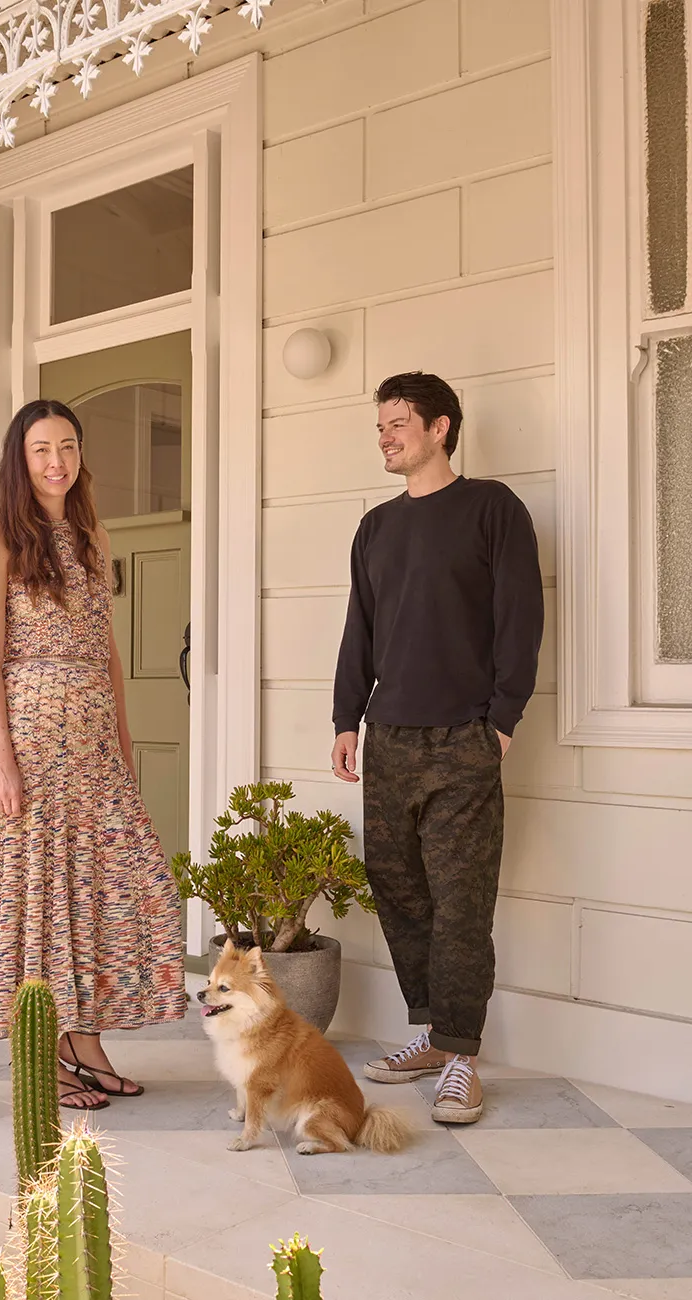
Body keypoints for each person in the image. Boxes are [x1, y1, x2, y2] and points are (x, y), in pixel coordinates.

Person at [0, 398, 187, 1109]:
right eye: (40, 449)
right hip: (31, 736)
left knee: (122, 885)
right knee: (44, 895)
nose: (56, 461)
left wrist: (122, 746)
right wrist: (0, 754)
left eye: (67, 446)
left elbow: (108, 652)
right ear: (19, 460)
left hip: (92, 742)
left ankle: (84, 1041)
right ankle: (45, 1053)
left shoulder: (94, 532)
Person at [331, 372, 543, 1124]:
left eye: (398, 424)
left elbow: (520, 617)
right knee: (400, 890)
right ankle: (431, 1032)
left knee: (460, 902)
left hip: (464, 739)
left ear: (440, 428)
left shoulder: (493, 510)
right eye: (380, 425)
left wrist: (503, 719)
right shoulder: (377, 528)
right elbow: (361, 627)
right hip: (389, 737)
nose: (385, 436)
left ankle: (462, 1057)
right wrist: (346, 717)